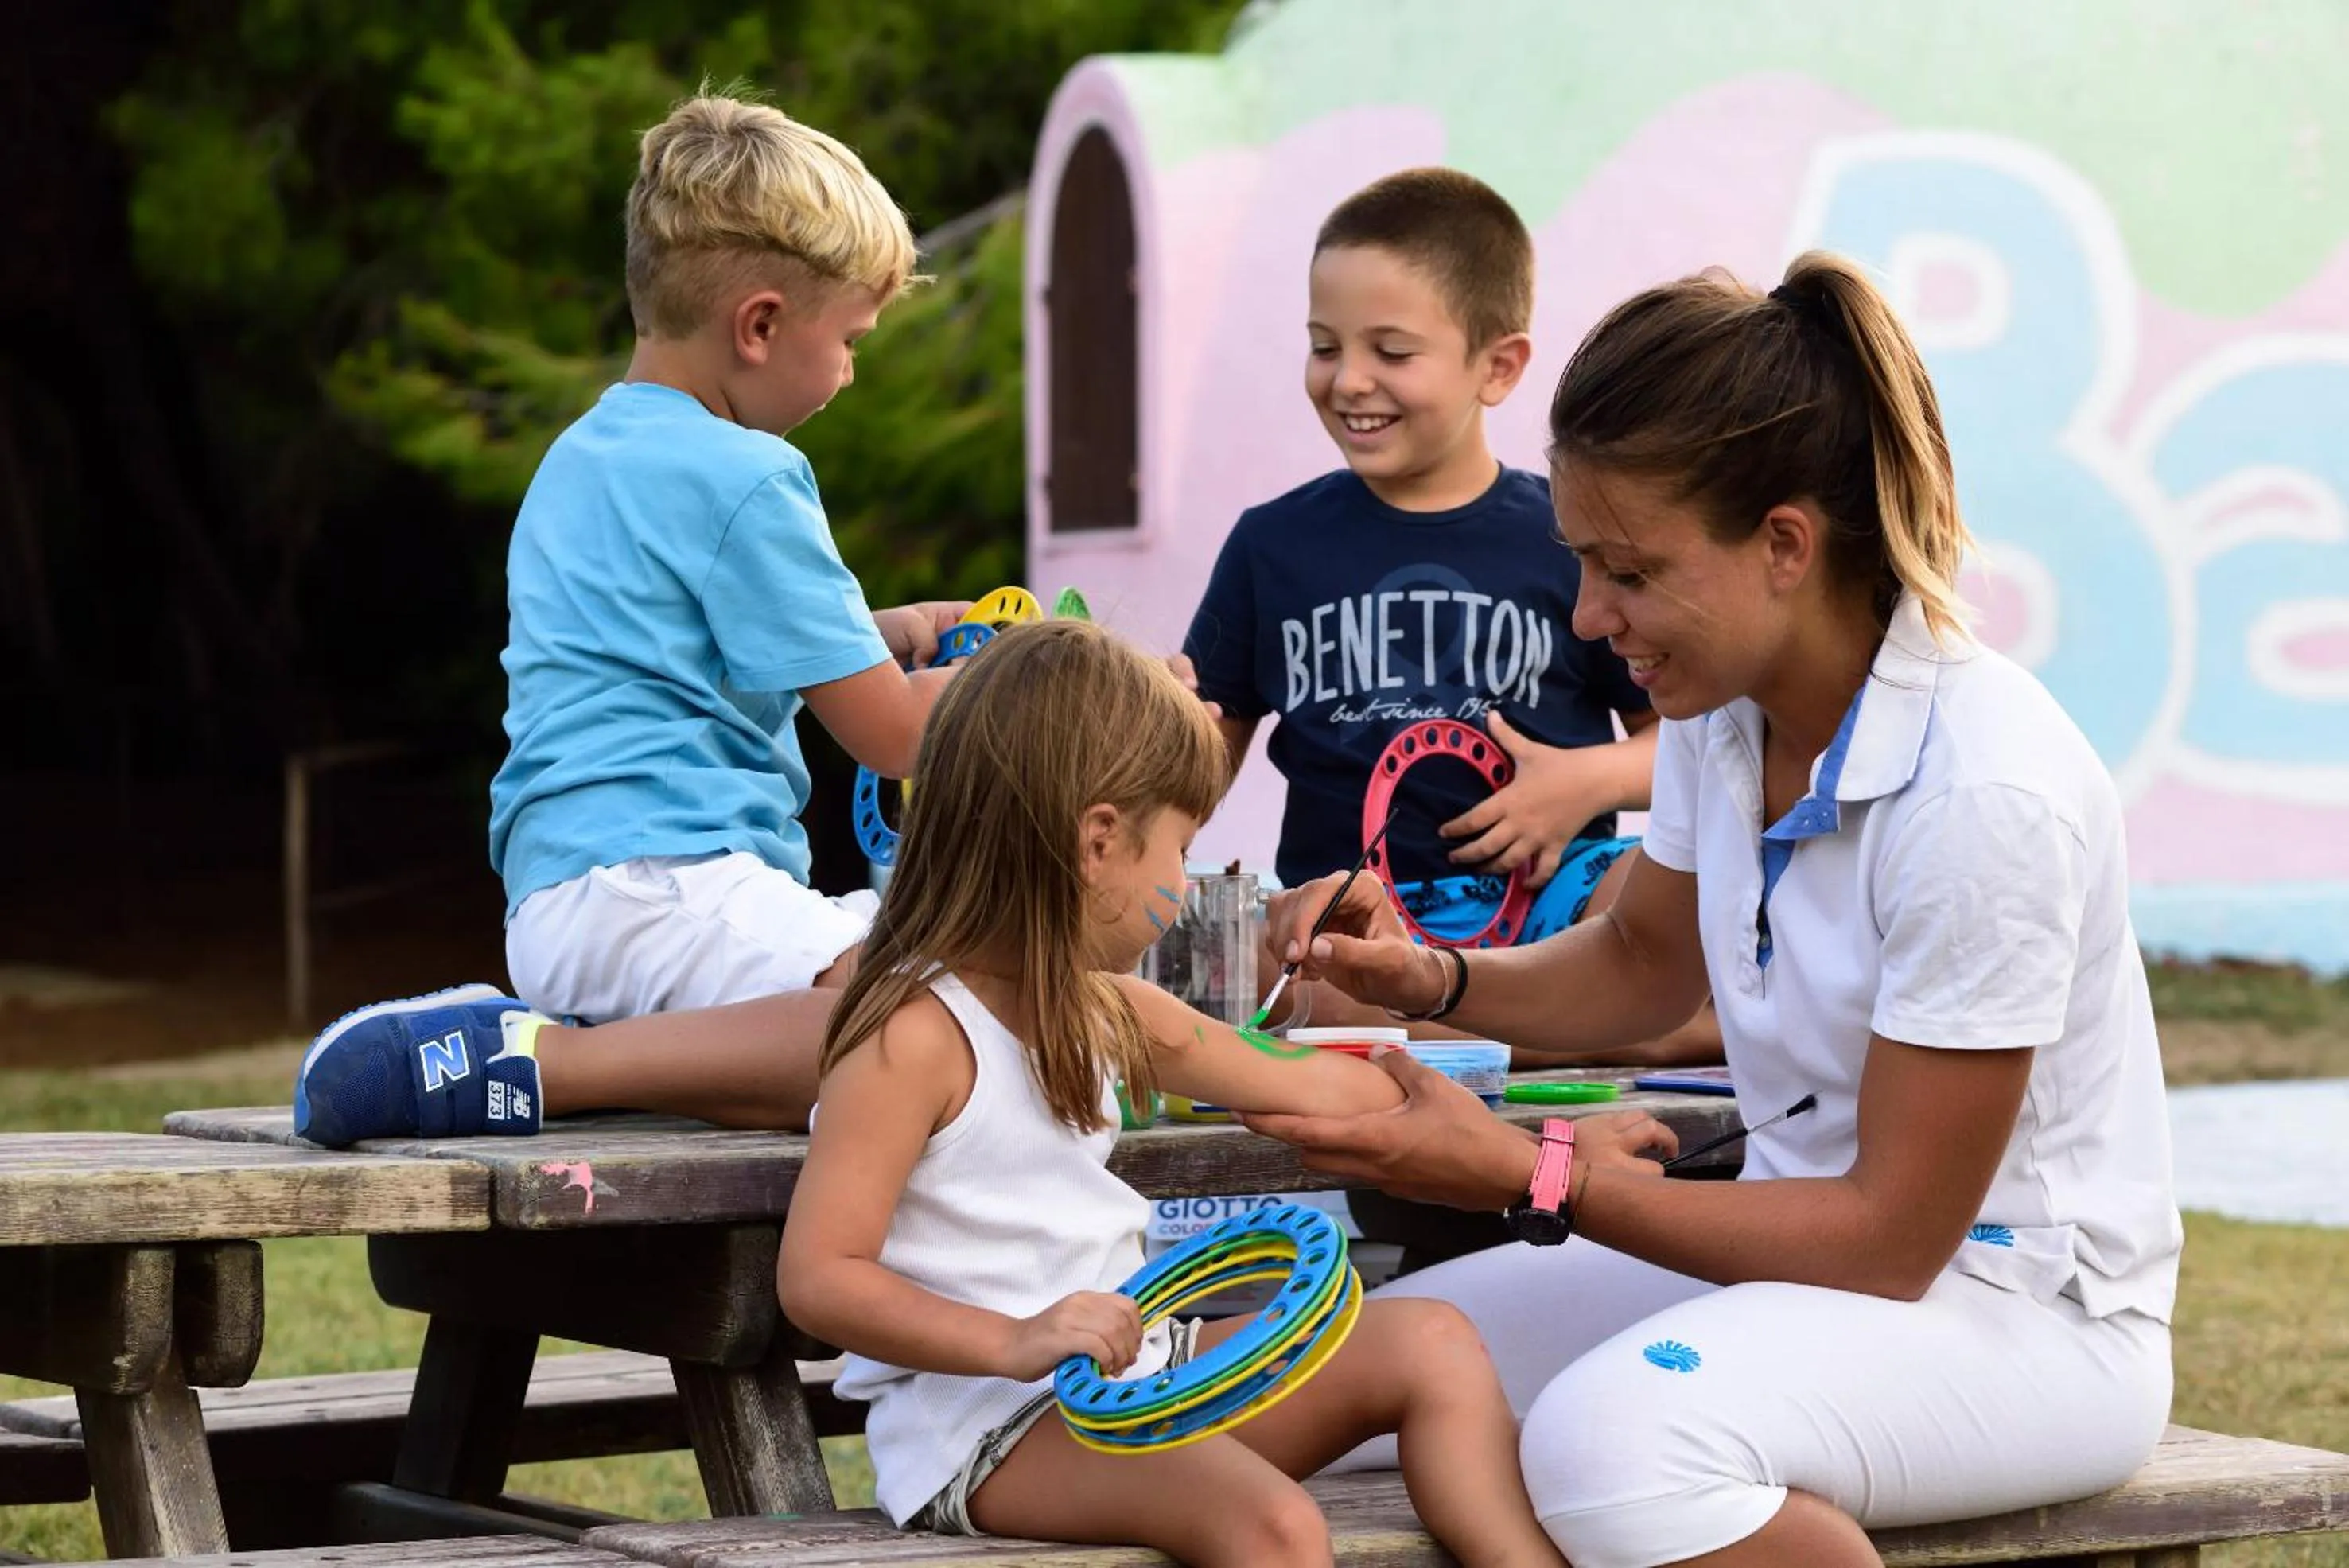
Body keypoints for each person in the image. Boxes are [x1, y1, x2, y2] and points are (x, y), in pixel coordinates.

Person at [1242, 253, 2181, 1568]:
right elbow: (1637, 965)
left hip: (2016, 1316)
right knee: (1351, 1353)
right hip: (1799, 1269)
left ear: (1785, 545)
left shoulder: (1985, 792)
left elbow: (1886, 1238)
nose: (1587, 614)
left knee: (1614, 1443)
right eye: (1580, 562)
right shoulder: (1720, 711)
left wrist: (1534, 1172)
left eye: (1625, 569)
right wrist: (1437, 983)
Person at [773, 617, 1564, 1568]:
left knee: (1430, 1342)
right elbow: (820, 1279)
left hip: (1135, 1375)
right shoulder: (911, 1036)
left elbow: (1307, 1083)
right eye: (1180, 850)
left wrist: (1546, 1145)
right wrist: (1016, 1338)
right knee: (1270, 1526)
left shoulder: (1110, 1008)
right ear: (1099, 843)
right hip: (990, 1426)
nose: (1185, 882)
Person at [293, 91, 971, 1146]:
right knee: (924, 1029)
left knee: (945, 984)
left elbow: (678, 656)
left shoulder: (582, 456)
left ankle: (607, 1051)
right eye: (852, 341)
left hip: (572, 902)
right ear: (761, 325)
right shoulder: (750, 475)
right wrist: (1028, 684)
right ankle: (535, 1060)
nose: (849, 371)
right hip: (664, 882)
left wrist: (879, 631)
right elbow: (894, 733)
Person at [1177, 168, 1709, 1060]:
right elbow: (1194, 770)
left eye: (1391, 352)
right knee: (1290, 975)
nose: (1348, 381)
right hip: (1351, 920)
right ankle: (1581, 1037)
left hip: (1556, 914)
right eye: (1323, 346)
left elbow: (1688, 747)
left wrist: (1586, 781)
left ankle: (1508, 1027)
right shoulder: (1270, 547)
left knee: (1650, 893)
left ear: (1496, 366)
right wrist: (1135, 716)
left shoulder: (1569, 535)